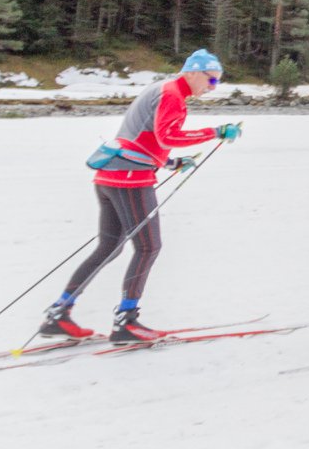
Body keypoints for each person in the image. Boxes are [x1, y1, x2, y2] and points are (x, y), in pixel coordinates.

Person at [38, 49, 243, 344]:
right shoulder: (173, 93)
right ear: (194, 72)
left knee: (109, 247)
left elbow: (141, 137)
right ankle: (127, 322)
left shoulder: (160, 89)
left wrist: (171, 162)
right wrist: (216, 131)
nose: (212, 88)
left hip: (109, 176)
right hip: (130, 179)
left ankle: (59, 313)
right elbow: (166, 137)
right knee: (148, 247)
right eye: (211, 81)